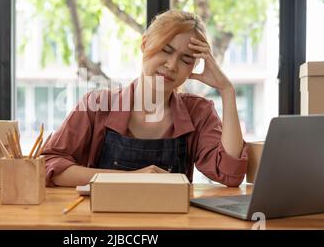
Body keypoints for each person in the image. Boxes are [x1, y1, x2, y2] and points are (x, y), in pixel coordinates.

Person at [41, 10, 248, 188]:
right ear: (145, 44)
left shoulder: (199, 112)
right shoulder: (96, 106)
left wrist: (227, 90)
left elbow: (229, 174)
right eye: (166, 50)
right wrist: (131, 178)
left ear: (193, 67)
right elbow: (50, 164)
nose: (171, 65)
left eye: (186, 60)